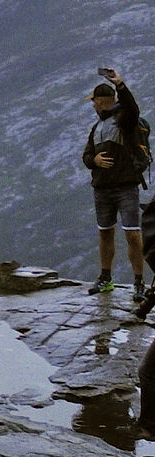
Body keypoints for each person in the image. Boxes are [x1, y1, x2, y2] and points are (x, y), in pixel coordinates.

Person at [82, 68, 148, 295]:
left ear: (101, 101)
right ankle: (105, 278)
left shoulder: (125, 120)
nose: (92, 105)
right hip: (102, 188)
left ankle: (139, 283)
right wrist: (95, 160)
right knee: (105, 232)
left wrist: (120, 84)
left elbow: (133, 107)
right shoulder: (97, 127)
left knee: (132, 234)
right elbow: (86, 156)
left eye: (94, 101)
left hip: (125, 187)